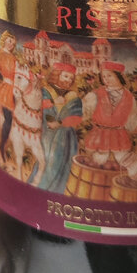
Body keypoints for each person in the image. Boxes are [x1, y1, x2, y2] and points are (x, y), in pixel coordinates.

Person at [82, 61, 137, 182]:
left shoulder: (129, 97)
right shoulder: (96, 94)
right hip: (99, 136)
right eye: (103, 76)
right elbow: (84, 111)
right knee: (97, 163)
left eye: (109, 75)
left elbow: (132, 118)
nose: (106, 79)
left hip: (119, 136)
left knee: (124, 163)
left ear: (118, 76)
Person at [38, 62, 83, 191]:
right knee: (49, 160)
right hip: (48, 134)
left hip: (68, 137)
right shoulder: (46, 91)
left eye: (71, 78)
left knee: (66, 163)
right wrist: (53, 102)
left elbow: (77, 117)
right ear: (57, 75)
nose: (68, 80)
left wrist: (60, 123)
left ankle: (60, 189)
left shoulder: (73, 97)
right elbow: (39, 106)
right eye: (65, 76)